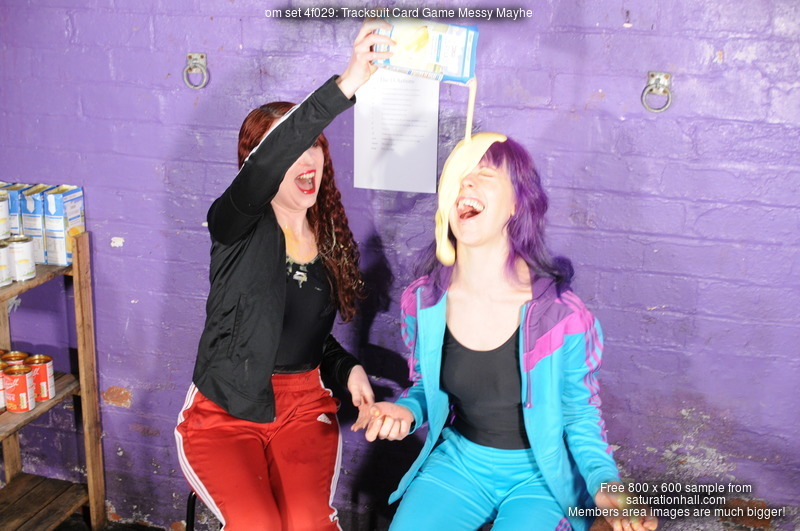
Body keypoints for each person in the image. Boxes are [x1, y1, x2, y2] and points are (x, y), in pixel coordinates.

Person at [358, 137, 658, 531]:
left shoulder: (562, 316)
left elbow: (580, 415)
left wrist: (607, 486)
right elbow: (426, 388)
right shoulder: (423, 302)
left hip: (542, 478)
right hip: (462, 464)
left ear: (516, 203)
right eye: (458, 176)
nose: (466, 183)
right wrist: (407, 412)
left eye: (484, 174)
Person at [175, 20, 393, 530]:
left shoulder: (329, 238)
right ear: (263, 167)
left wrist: (348, 370)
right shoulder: (234, 224)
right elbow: (266, 162)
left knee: (308, 524)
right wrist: (348, 81)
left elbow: (301, 335)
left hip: (302, 407)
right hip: (226, 410)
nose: (307, 157)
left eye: (314, 145)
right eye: (291, 149)